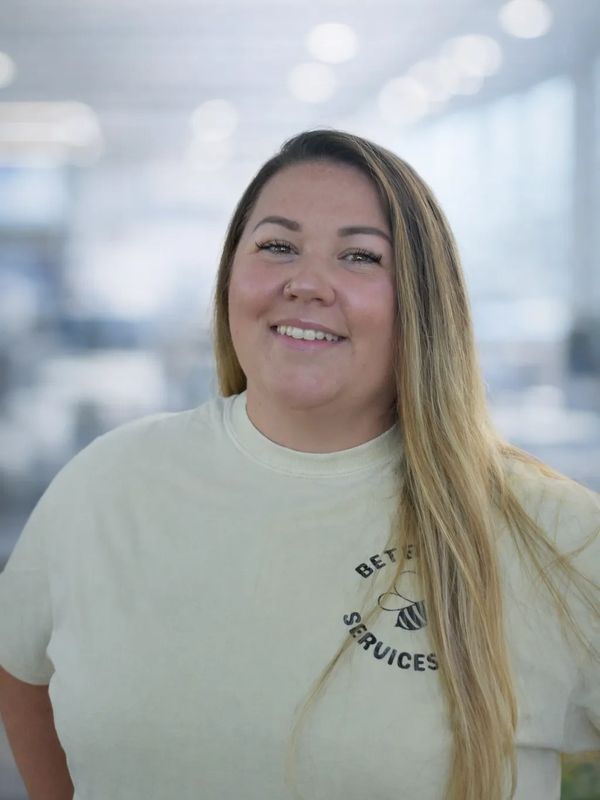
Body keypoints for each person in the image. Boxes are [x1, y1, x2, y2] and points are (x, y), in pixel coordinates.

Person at [0, 128, 598, 800]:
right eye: (278, 246)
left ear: (424, 302)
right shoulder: (106, 483)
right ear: (231, 275)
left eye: (360, 257)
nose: (308, 283)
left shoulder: (550, 532)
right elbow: (20, 672)